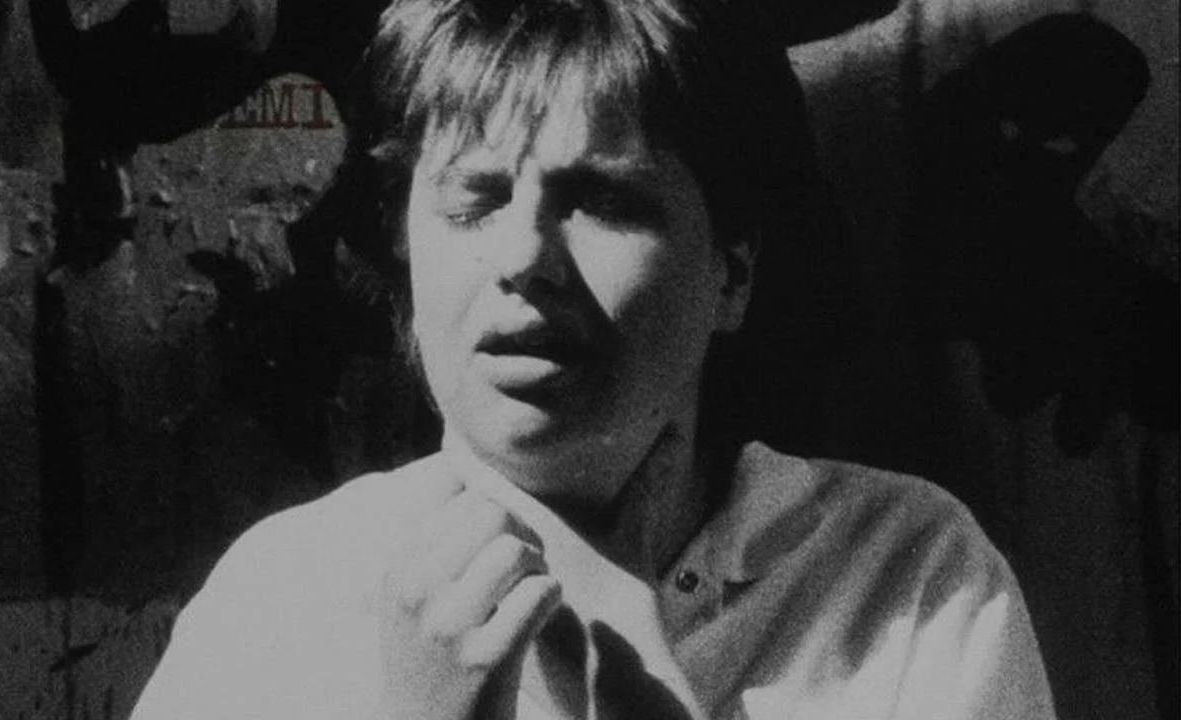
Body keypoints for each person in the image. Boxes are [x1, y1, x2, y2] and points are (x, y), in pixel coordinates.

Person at [131, 1, 1056, 718]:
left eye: (604, 200)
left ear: (732, 273)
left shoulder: (903, 581)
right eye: (473, 201)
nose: (523, 258)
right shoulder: (282, 600)